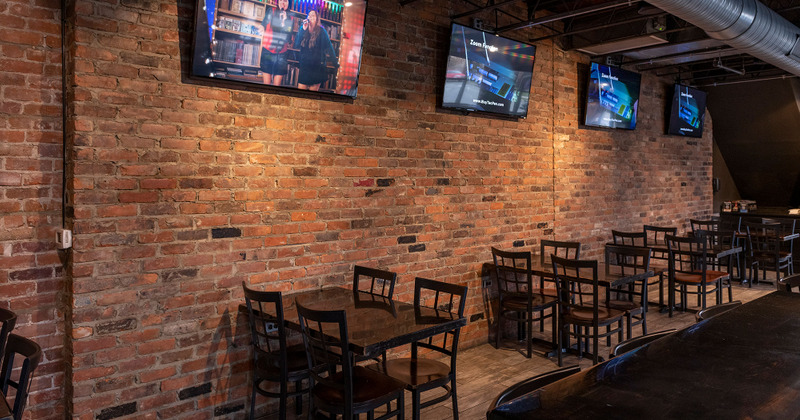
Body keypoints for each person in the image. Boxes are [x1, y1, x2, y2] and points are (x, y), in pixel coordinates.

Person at [294, 9, 339, 91]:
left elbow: (329, 48)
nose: (310, 17)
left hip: (317, 68)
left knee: (312, 95)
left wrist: (335, 64)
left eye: (313, 15)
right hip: (305, 67)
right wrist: (303, 30)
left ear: (317, 19)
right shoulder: (303, 29)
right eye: (309, 15)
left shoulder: (322, 31)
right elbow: (296, 45)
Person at [260, 0, 296, 86]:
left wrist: (285, 22)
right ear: (278, 2)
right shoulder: (271, 11)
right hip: (268, 50)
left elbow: (288, 38)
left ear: (288, 3)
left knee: (277, 86)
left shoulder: (291, 18)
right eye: (281, 0)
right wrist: (261, 28)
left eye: (285, 1)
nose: (283, 3)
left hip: (282, 53)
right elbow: (264, 24)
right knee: (266, 85)